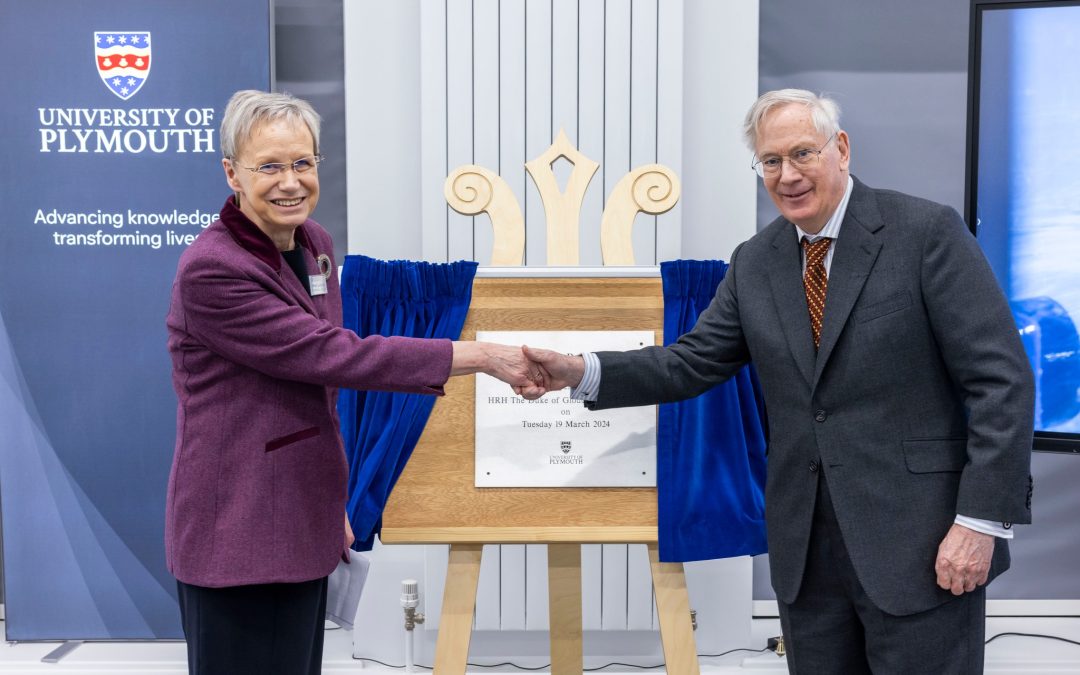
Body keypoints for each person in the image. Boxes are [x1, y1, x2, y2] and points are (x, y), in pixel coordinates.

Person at [525, 89, 1034, 674]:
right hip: (806, 556)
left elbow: (1001, 382)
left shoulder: (925, 233)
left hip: (922, 544)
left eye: (802, 154)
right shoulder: (756, 261)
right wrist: (580, 371)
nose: (786, 175)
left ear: (840, 149)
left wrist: (978, 522)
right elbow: (690, 362)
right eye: (770, 161)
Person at [164, 90, 544, 675]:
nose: (290, 182)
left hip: (300, 512)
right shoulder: (213, 269)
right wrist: (481, 355)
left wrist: (326, 497)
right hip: (236, 528)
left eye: (303, 163)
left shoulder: (313, 244)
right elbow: (332, 355)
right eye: (268, 166)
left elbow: (319, 392)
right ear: (231, 173)